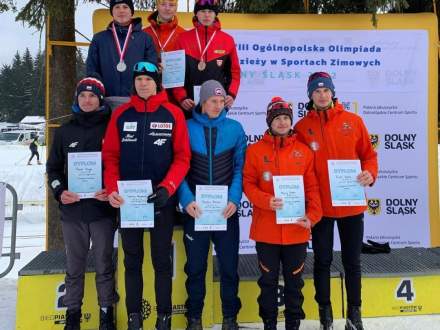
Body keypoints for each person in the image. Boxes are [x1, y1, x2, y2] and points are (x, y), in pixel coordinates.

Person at [102, 61, 190, 330]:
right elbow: (111, 157)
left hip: (161, 200)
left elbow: (182, 158)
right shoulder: (121, 115)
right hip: (129, 203)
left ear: (157, 83)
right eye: (139, 79)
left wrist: (168, 188)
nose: (143, 83)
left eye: (148, 79)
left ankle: (163, 317)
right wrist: (113, 190)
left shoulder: (173, 113)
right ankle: (134, 317)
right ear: (134, 83)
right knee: (132, 261)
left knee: (161, 261)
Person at [294, 72, 378, 330]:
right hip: (321, 208)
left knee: (353, 261)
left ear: (332, 92)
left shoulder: (353, 121)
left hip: (350, 205)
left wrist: (369, 174)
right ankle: (325, 315)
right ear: (310, 95)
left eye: (325, 90)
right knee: (322, 261)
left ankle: (355, 315)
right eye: (316, 91)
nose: (321, 95)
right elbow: (296, 162)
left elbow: (369, 156)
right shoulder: (301, 127)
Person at [242, 97, 322, 330]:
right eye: (277, 118)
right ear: (269, 121)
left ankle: (293, 322)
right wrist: (267, 201)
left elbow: (313, 188)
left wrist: (313, 216)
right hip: (266, 231)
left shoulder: (304, 152)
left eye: (286, 117)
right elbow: (248, 184)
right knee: (267, 281)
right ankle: (269, 322)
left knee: (294, 282)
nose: (282, 122)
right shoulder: (255, 151)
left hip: (296, 230)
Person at [46, 75, 117, 330]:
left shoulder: (111, 127)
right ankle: (72, 316)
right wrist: (59, 191)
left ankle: (106, 314)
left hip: (102, 211)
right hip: (73, 212)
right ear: (77, 99)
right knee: (74, 267)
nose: (87, 100)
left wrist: (111, 189)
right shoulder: (65, 131)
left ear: (100, 99)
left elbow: (117, 166)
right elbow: (53, 169)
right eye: (82, 96)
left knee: (104, 265)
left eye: (92, 96)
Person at [177, 80, 246, 330]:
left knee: (229, 268)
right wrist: (186, 199)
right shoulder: (185, 128)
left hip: (225, 211)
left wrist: (234, 199)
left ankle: (230, 318)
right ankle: (194, 319)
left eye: (221, 101)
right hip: (196, 210)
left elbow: (240, 168)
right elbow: (179, 168)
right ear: (202, 102)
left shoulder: (236, 129)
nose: (217, 106)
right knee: (195, 268)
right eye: (212, 101)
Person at [172, 0, 240, 118]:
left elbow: (235, 72)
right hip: (189, 104)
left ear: (215, 14)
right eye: (203, 11)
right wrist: (181, 97)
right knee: (193, 135)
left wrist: (231, 94)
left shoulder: (227, 40)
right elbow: (174, 73)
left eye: (210, 11)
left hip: (217, 103)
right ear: (196, 14)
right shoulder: (182, 39)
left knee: (215, 135)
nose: (207, 15)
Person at [86, 0, 157, 110]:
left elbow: (151, 69)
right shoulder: (99, 39)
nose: (121, 10)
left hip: (136, 100)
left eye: (125, 7)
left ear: (131, 12)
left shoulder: (145, 38)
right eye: (117, 7)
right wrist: (97, 94)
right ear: (112, 12)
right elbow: (92, 69)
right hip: (106, 101)